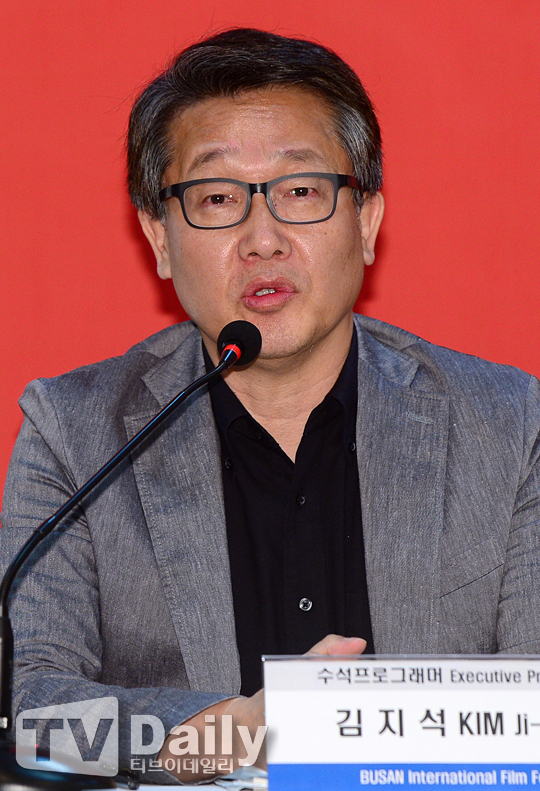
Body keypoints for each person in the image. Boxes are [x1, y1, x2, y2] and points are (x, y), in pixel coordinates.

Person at [2, 27, 540, 785]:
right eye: (218, 198)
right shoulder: (74, 432)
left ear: (366, 221)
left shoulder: (510, 424)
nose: (263, 239)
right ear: (159, 238)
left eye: (300, 191)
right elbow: (27, 713)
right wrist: (221, 736)